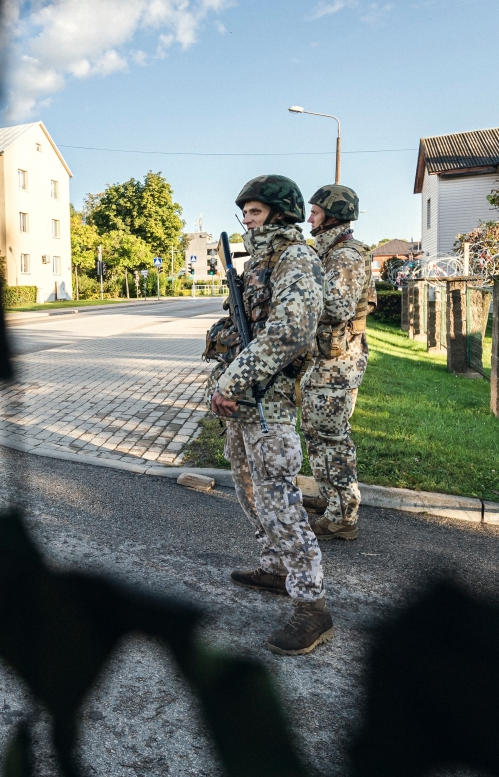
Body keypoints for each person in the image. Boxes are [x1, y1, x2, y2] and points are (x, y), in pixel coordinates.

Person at [204, 174, 332, 656]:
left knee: (279, 498)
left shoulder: (296, 257)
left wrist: (232, 380)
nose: (246, 220)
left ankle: (312, 607)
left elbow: (292, 332)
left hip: (268, 401)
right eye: (245, 213)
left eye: (254, 212)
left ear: (279, 213)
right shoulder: (258, 259)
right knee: (248, 487)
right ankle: (277, 568)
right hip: (242, 401)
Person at [300, 184, 375, 541]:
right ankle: (331, 497)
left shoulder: (344, 255)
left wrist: (298, 296)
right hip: (328, 360)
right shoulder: (331, 252)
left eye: (315, 212)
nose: (309, 218)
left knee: (331, 437)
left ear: (332, 215)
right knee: (316, 433)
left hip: (337, 363)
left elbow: (336, 307)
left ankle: (344, 517)